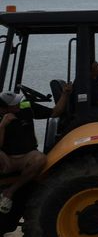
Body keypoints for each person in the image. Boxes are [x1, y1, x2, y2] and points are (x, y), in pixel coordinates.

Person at [0, 84, 72, 213]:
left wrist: (65, 94)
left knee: (40, 159)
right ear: (4, 109)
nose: (19, 104)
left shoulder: (26, 107)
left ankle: (10, 191)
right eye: (14, 104)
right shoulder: (2, 119)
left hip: (26, 156)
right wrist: (2, 126)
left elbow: (55, 112)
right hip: (6, 159)